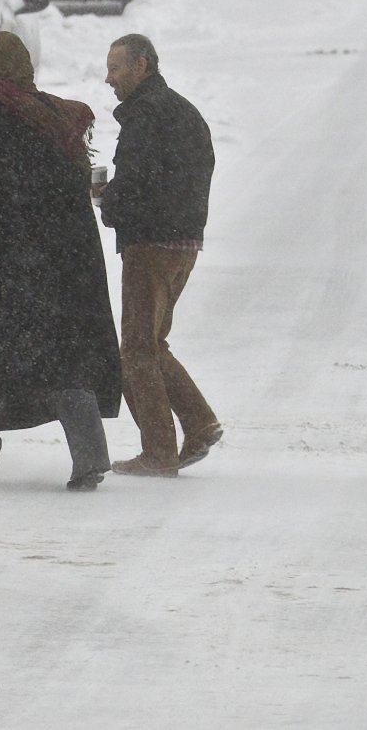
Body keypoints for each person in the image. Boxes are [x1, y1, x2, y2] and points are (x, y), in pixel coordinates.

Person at [0, 31, 122, 491]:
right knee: (61, 355)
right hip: (67, 256)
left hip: (6, 258)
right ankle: (90, 459)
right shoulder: (58, 114)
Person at [97, 33, 222, 477]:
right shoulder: (182, 110)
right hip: (184, 241)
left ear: (141, 66)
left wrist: (105, 199)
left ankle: (159, 452)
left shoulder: (146, 117)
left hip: (151, 243)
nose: (107, 78)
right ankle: (200, 424)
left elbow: (137, 185)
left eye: (115, 68)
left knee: (136, 350)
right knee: (151, 342)